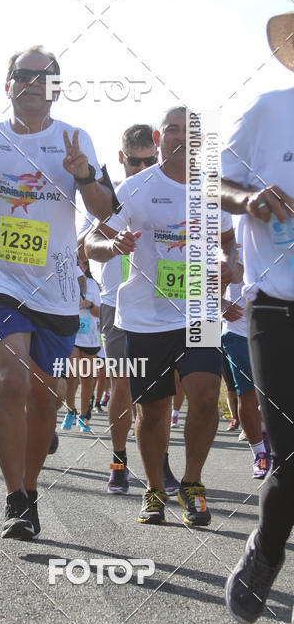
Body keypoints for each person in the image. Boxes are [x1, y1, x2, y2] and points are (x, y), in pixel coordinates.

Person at [0, 44, 111, 539]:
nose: (33, 83)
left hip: (55, 288)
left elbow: (104, 209)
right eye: (23, 75)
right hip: (0, 283)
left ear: (56, 87)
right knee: (9, 380)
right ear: (7, 84)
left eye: (44, 76)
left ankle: (31, 488)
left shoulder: (75, 139)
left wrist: (84, 176)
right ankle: (15, 498)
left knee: (44, 399)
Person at [85, 106, 235, 525]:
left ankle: (191, 483)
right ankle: (153, 487)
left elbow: (229, 242)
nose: (180, 140)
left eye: (190, 135)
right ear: (159, 136)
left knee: (206, 394)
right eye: (172, 131)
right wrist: (113, 248)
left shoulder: (212, 191)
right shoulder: (136, 188)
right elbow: (92, 240)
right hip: (146, 318)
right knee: (152, 412)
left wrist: (230, 265)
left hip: (199, 310)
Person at [223, 10, 294, 624]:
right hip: (276, 307)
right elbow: (209, 182)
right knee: (292, 456)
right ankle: (264, 552)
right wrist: (248, 199)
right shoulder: (269, 112)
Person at [77, 123, 160, 495]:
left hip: (162, 304)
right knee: (122, 386)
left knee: (159, 392)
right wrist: (109, 226)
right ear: (121, 158)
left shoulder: (167, 188)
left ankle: (161, 466)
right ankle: (119, 462)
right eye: (135, 162)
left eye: (150, 161)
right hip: (115, 304)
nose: (143, 169)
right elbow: (82, 246)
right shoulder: (104, 195)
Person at [221, 215, 270, 478]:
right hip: (238, 332)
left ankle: (267, 432)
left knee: (276, 394)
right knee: (247, 394)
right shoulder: (233, 227)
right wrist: (221, 305)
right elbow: (206, 280)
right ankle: (259, 452)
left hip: (274, 329)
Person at [62, 261, 101, 433]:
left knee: (87, 378)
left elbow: (99, 312)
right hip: (73, 333)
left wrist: (88, 304)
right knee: (72, 374)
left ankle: (84, 416)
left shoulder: (93, 285)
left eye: (80, 265)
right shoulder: (66, 281)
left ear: (85, 267)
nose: (78, 268)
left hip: (90, 337)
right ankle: (70, 410)